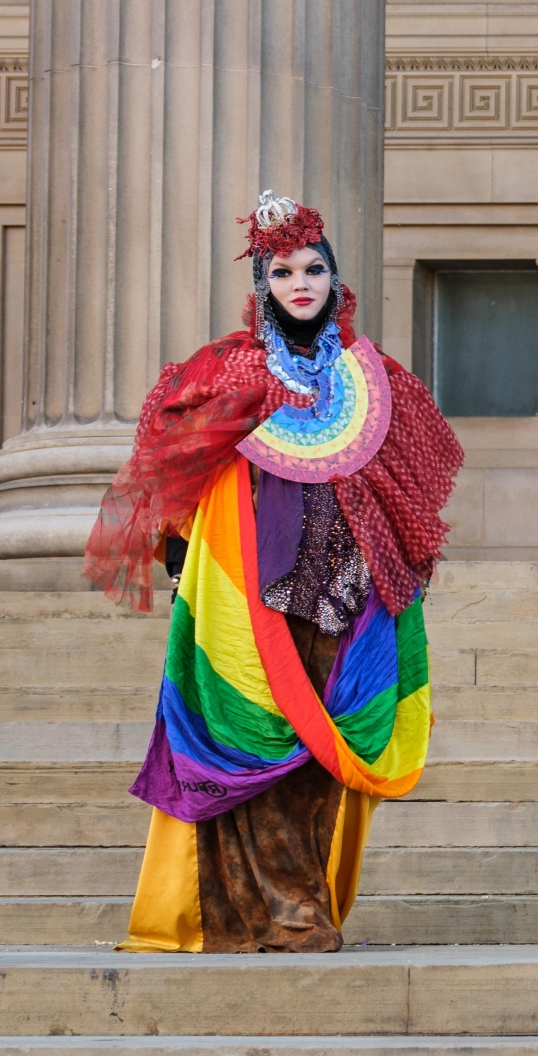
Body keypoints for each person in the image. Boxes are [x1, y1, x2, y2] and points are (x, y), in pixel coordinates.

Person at [85, 193, 463, 951]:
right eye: (283, 269)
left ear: (334, 280)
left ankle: (304, 904)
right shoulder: (227, 368)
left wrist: (396, 578)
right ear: (262, 283)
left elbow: (407, 491)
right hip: (255, 593)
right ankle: (279, 913)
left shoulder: (375, 376)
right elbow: (172, 472)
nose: (300, 282)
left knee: (324, 759)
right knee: (259, 743)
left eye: (314, 268)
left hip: (349, 598)